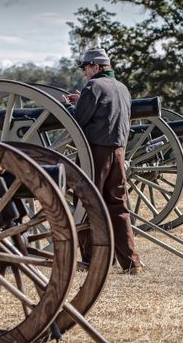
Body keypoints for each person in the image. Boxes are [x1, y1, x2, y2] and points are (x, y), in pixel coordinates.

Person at [65, 48, 144, 274]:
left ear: (97, 67)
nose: (85, 73)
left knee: (87, 203)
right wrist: (82, 100)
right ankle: (131, 262)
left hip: (94, 152)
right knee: (118, 206)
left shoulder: (93, 86)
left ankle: (92, 260)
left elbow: (78, 120)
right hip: (118, 151)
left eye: (87, 68)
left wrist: (71, 107)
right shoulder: (122, 88)